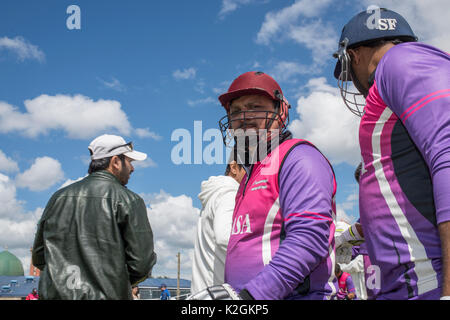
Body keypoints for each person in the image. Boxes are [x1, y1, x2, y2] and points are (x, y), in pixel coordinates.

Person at [333, 7, 450, 299]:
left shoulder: (401, 60)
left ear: (355, 54)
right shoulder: (395, 71)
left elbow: (447, 155)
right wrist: (358, 233)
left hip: (427, 279)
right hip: (406, 282)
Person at [189, 71, 338, 300]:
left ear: (280, 111)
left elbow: (309, 239)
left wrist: (251, 297)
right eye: (236, 111)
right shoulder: (249, 176)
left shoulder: (299, 158)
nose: (243, 116)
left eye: (254, 106)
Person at [32, 134, 157, 300]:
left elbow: (39, 256)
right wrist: (114, 282)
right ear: (116, 162)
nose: (132, 168)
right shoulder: (129, 200)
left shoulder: (58, 198)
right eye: (130, 162)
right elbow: (141, 264)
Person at [190, 160, 246, 294]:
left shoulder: (216, 194)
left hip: (206, 292)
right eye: (250, 169)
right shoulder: (229, 193)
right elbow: (225, 237)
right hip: (220, 294)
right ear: (234, 167)